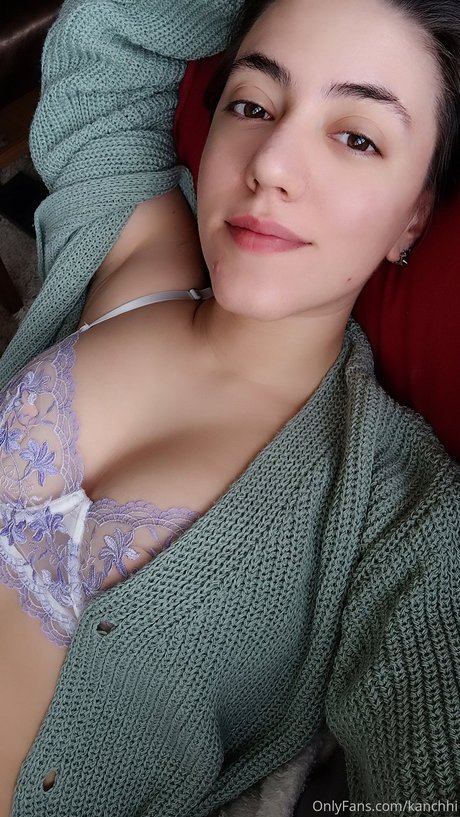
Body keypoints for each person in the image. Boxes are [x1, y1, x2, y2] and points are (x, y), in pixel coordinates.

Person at [0, 0, 459, 814]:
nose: (272, 164)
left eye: (357, 137)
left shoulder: (398, 510)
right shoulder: (134, 254)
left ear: (414, 215)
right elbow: (109, 35)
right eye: (252, 105)